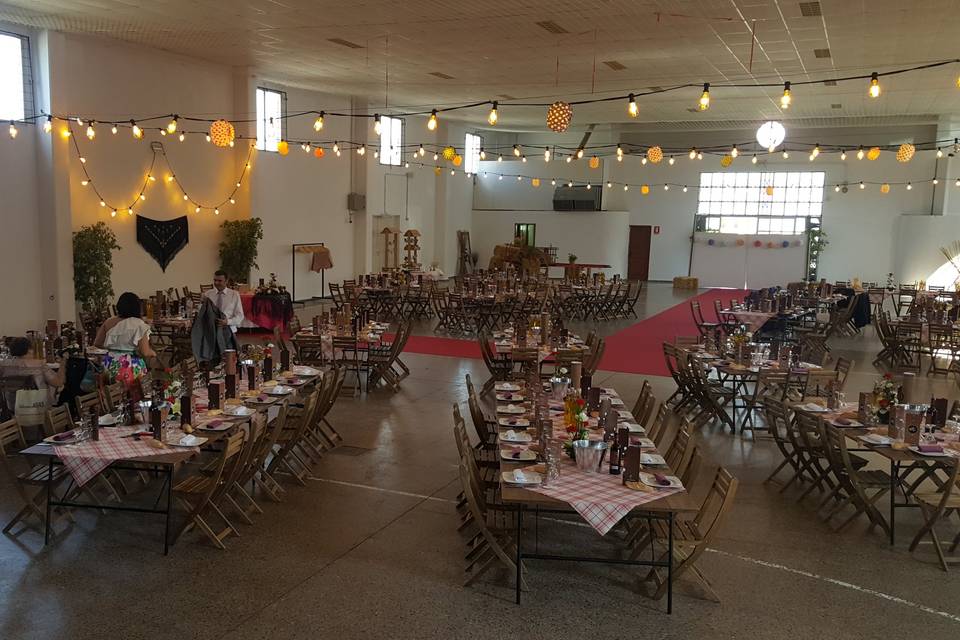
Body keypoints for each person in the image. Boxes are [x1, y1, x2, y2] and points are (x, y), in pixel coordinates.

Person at [95, 292, 156, 395]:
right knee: (132, 398)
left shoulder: (109, 322)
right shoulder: (139, 324)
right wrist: (153, 353)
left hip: (110, 362)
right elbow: (145, 351)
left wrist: (114, 348)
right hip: (129, 365)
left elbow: (97, 343)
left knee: (111, 396)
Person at [0, 336, 66, 411]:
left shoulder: (4, 365)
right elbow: (58, 382)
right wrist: (63, 362)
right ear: (29, 350)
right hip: (38, 409)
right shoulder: (39, 365)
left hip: (14, 409)